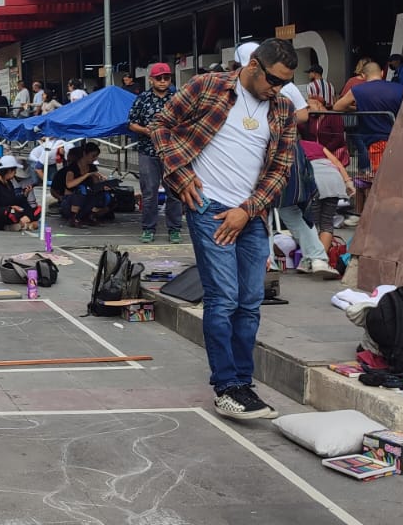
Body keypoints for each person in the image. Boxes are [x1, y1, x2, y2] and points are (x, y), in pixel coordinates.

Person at [150, 37, 299, 421]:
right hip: (208, 207)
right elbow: (162, 125)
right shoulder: (208, 87)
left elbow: (281, 169)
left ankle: (243, 384)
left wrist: (247, 211)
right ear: (253, 66)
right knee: (224, 298)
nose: (278, 89)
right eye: (274, 80)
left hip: (250, 214)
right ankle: (226, 387)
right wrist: (180, 174)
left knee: (250, 301)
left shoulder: (280, 108)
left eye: (284, 83)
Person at [128, 63, 184, 244]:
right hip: (148, 151)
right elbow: (131, 123)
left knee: (174, 192)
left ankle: (174, 228)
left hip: (171, 152)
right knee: (149, 192)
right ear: (151, 79)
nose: (162, 81)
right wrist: (145, 131)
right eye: (159, 78)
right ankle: (148, 228)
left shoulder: (177, 98)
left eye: (166, 78)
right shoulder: (142, 99)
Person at [333, 61, 403, 178]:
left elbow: (337, 107)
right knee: (399, 176)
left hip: (375, 140)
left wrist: (357, 108)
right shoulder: (399, 88)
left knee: (380, 178)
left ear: (363, 76)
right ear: (382, 73)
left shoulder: (358, 90)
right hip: (398, 139)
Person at [53, 143, 111, 227]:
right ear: (84, 154)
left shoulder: (92, 168)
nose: (94, 159)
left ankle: (90, 215)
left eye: (96, 157)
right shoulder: (72, 168)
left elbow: (95, 185)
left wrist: (102, 184)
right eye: (93, 156)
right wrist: (87, 175)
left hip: (86, 201)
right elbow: (69, 185)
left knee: (100, 193)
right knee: (81, 189)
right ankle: (73, 218)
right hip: (70, 202)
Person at [0, 155, 38, 231]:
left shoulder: (8, 183)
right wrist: (10, 208)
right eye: (14, 171)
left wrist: (24, 195)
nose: (15, 174)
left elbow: (13, 200)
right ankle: (20, 224)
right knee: (13, 213)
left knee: (35, 210)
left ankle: (21, 223)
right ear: (8, 171)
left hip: (10, 211)